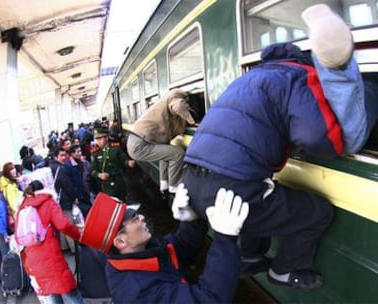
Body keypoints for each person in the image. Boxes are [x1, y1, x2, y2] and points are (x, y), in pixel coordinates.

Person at [182, 4, 378, 290]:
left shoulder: (247, 79)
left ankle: (249, 257)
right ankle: (286, 270)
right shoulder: (297, 76)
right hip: (231, 186)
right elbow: (316, 137)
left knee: (260, 196)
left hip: (193, 183)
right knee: (316, 212)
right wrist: (331, 143)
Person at [80, 187, 249, 304]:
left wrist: (191, 222)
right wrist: (225, 239)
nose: (142, 218)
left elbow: (179, 249)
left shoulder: (140, 252)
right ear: (121, 242)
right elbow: (208, 300)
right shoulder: (139, 293)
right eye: (134, 218)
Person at [19, 180, 84, 304]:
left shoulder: (23, 206)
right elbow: (63, 225)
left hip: (32, 257)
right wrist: (78, 235)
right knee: (70, 291)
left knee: (50, 292)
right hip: (50, 256)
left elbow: (19, 237)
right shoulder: (47, 201)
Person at [126, 88, 195, 197]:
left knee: (167, 153)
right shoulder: (175, 98)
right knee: (177, 153)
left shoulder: (165, 105)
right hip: (140, 144)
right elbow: (179, 106)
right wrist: (192, 120)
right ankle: (175, 187)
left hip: (136, 142)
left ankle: (164, 185)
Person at [91, 127, 135, 201]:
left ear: (106, 138)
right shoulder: (94, 152)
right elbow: (93, 171)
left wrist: (128, 163)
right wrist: (99, 175)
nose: (98, 141)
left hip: (119, 180)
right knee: (112, 202)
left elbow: (123, 160)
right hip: (106, 184)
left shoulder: (115, 148)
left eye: (99, 138)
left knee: (122, 199)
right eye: (96, 139)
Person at [49, 147, 80, 254]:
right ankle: (74, 248)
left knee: (61, 223)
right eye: (61, 155)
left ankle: (64, 246)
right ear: (55, 157)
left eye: (65, 155)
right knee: (68, 224)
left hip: (55, 201)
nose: (64, 157)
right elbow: (68, 186)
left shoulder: (50, 168)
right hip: (65, 200)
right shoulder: (61, 169)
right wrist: (74, 197)